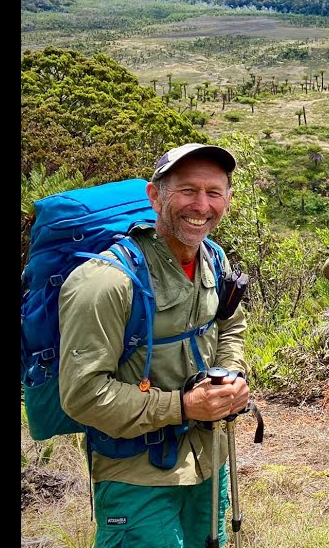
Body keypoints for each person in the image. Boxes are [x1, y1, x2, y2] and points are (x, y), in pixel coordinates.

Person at [58, 143, 250, 547]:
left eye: (214, 192)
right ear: (154, 195)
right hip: (134, 471)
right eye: (187, 190)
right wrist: (181, 407)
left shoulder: (214, 260)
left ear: (228, 200)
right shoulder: (105, 283)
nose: (201, 205)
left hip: (208, 458)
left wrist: (231, 376)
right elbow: (82, 396)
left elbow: (230, 322)